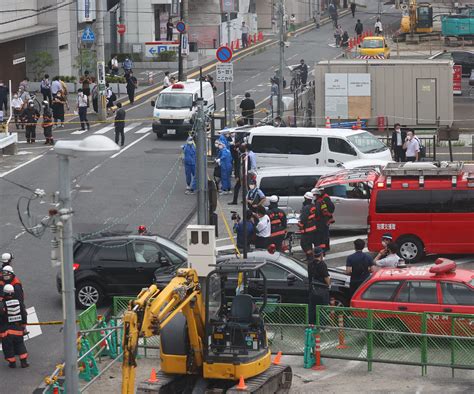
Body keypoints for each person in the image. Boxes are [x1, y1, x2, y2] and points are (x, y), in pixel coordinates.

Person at [0, 284, 29, 368]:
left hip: (6, 331)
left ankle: (12, 363)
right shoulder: (18, 302)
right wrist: (23, 325)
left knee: (7, 347)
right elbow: (24, 314)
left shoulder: (2, 304)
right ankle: (23, 362)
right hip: (18, 329)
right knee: (20, 344)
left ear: (4, 293)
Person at [308, 246, 330, 325]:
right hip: (322, 289)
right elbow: (326, 277)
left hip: (313, 289)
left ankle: (311, 324)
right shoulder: (322, 264)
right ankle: (322, 326)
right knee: (322, 308)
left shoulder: (310, 264)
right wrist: (329, 285)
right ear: (321, 254)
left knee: (312, 308)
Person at [299, 192, 318, 261]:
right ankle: (309, 257)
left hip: (307, 229)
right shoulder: (313, 206)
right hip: (313, 227)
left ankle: (310, 257)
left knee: (304, 244)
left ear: (306, 198)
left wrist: (300, 224)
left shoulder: (306, 208)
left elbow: (303, 219)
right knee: (309, 243)